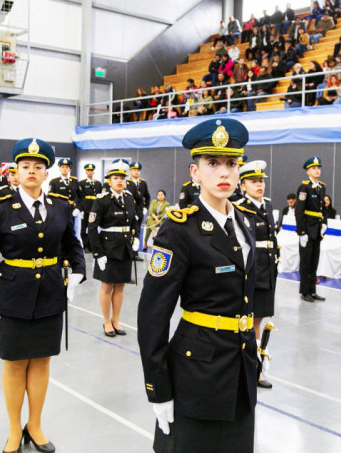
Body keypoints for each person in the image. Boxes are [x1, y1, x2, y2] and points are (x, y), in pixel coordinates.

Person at [137, 118, 258, 453]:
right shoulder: (179, 229)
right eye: (212, 163)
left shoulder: (244, 223)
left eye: (231, 164)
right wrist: (158, 389)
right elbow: (152, 316)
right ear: (195, 172)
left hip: (240, 370)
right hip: (197, 373)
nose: (224, 173)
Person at [0, 137, 86, 453]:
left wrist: (77, 270)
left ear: (46, 172)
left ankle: (34, 426)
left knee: (40, 362)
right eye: (26, 167)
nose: (32, 172)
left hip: (50, 292)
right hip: (11, 294)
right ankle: (13, 430)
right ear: (16, 172)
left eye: (38, 167)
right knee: (13, 364)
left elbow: (72, 243)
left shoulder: (61, 206)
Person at [234, 160, 279, 389]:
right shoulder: (240, 207)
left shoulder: (267, 206)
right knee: (249, 321)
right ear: (243, 185)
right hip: (252, 270)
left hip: (268, 270)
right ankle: (250, 368)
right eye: (253, 181)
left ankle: (256, 366)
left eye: (261, 181)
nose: (259, 185)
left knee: (258, 320)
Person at [88, 160, 139, 337]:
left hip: (125, 247)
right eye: (115, 178)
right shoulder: (102, 200)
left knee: (120, 287)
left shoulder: (129, 198)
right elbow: (92, 228)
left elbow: (135, 220)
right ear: (109, 181)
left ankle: (116, 320)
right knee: (107, 286)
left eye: (122, 178)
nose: (119, 181)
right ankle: (106, 320)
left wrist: (137, 237)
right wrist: (98, 253)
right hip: (108, 249)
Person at [295, 156, 327, 302]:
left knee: (314, 261)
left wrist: (325, 223)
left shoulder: (321, 187)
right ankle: (304, 291)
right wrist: (301, 232)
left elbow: (323, 209)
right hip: (307, 228)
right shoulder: (304, 187)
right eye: (314, 168)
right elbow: (299, 210)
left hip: (317, 228)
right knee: (306, 262)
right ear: (308, 171)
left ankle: (313, 290)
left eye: (318, 168)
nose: (317, 170)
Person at [78, 163, 102, 249]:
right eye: (88, 170)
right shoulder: (82, 183)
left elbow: (101, 196)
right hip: (86, 207)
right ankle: (85, 245)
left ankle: (93, 245)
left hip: (95, 208)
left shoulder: (98, 183)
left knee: (93, 227)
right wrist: (80, 209)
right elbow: (79, 197)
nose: (90, 172)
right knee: (84, 228)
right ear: (85, 171)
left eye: (91, 170)